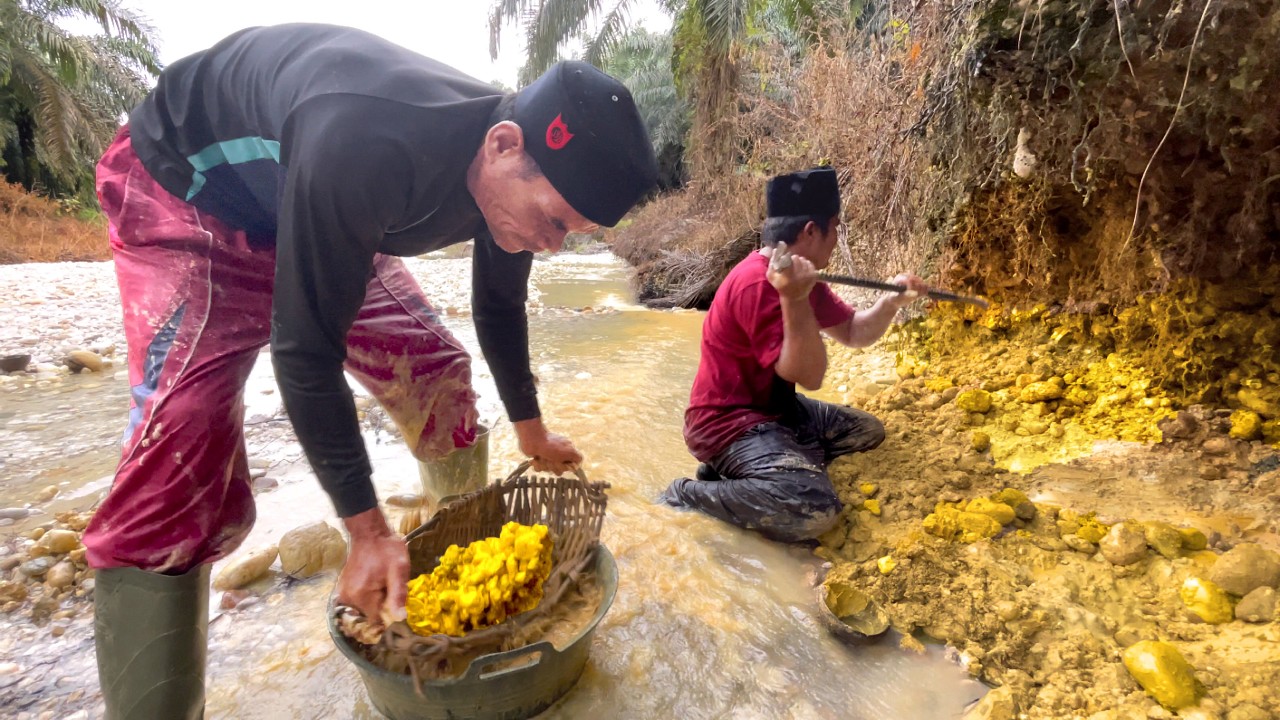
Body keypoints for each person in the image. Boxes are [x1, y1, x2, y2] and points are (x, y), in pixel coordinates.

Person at [86, 23, 657, 718]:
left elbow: (499, 306)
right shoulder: (368, 140)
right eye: (554, 221)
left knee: (437, 374)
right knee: (182, 450)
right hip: (189, 195)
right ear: (504, 145)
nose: (551, 242)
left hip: (324, 210)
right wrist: (364, 528)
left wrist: (531, 432)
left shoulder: (504, 180)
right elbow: (304, 351)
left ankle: (456, 573)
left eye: (571, 234)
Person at [660, 167, 926, 542]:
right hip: (728, 423)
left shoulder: (802, 276)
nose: (837, 238)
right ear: (811, 231)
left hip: (776, 412)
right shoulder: (760, 283)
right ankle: (688, 493)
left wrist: (890, 302)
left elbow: (852, 331)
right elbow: (809, 375)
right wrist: (794, 298)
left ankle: (752, 474)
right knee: (814, 508)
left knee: (867, 432)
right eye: (835, 227)